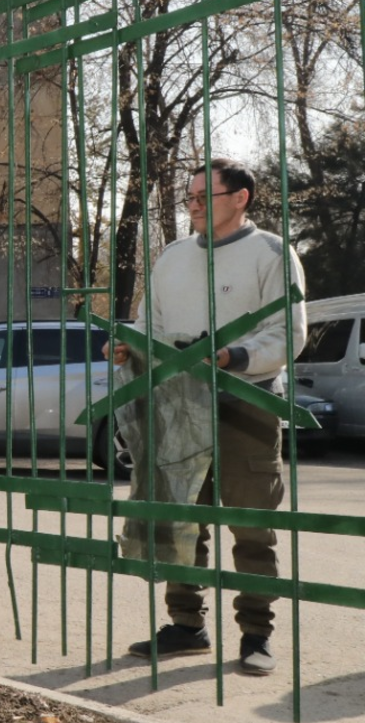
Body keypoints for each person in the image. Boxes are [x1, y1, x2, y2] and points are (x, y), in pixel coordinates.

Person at [115, 159, 306, 675]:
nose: (193, 206)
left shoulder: (271, 253)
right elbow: (150, 324)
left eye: (204, 196)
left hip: (249, 402)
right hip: (178, 405)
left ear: (240, 198)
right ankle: (186, 625)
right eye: (190, 197)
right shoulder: (173, 257)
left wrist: (232, 358)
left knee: (252, 522)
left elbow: (288, 333)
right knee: (181, 518)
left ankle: (256, 633)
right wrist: (128, 347)